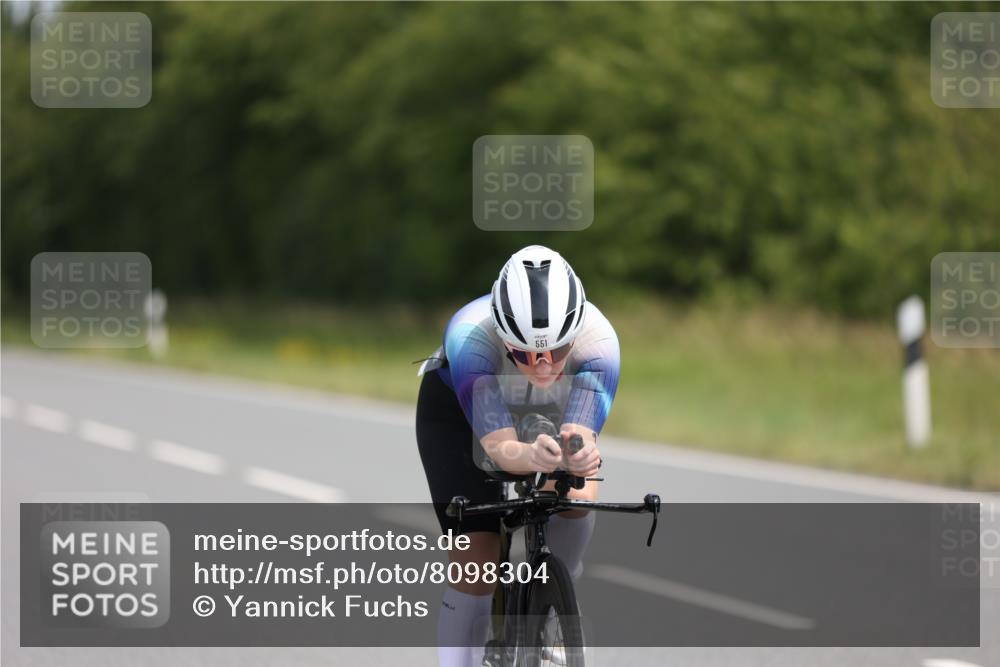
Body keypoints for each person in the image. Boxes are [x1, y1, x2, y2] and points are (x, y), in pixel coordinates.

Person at [415, 245, 621, 667]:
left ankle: (555, 598)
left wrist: (578, 457)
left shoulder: (600, 345)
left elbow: (580, 436)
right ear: (504, 336)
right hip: (459, 412)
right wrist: (531, 453)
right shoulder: (471, 338)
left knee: (577, 495)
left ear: (576, 334)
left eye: (557, 352)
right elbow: (500, 449)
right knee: (476, 561)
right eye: (526, 353)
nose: (543, 367)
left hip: (550, 406)